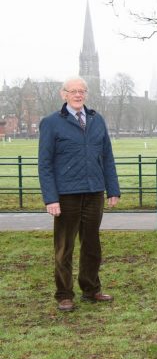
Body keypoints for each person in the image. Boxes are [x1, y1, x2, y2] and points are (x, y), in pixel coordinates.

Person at [38, 77, 120, 312]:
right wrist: (50, 198)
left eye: (81, 91)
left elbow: (107, 156)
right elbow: (45, 163)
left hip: (94, 191)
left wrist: (112, 188)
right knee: (64, 247)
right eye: (73, 91)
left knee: (92, 244)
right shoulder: (51, 122)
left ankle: (91, 289)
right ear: (63, 94)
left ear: (86, 94)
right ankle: (64, 294)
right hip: (66, 194)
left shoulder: (96, 119)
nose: (77, 95)